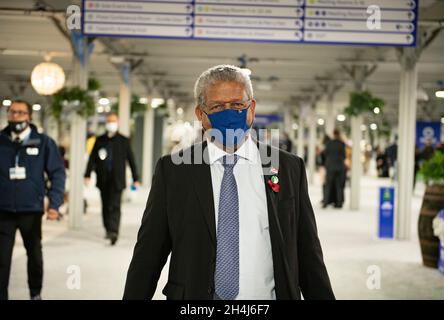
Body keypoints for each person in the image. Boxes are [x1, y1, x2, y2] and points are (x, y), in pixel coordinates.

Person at [123, 65, 334, 300]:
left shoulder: (287, 168)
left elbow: (308, 252)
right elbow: (149, 254)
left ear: (251, 109)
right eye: (217, 107)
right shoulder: (174, 170)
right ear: (201, 115)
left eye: (236, 105)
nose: (229, 113)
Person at [0, 100, 65, 300]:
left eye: (20, 113)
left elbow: (57, 173)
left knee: (34, 255)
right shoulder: (1, 140)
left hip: (31, 209)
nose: (16, 116)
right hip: (3, 210)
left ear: (29, 116)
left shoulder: (43, 142)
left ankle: (35, 293)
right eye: (12, 112)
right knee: (1, 259)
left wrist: (54, 204)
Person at [84, 113, 140, 245]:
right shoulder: (100, 140)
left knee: (115, 205)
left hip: (117, 179)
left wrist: (135, 178)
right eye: (109, 121)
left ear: (118, 122)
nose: (111, 123)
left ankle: (114, 231)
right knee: (105, 205)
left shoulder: (123, 140)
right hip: (103, 179)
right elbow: (92, 159)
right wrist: (87, 174)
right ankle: (108, 228)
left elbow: (131, 160)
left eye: (113, 121)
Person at [323, 129, 346, 209]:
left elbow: (325, 153)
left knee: (328, 185)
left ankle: (325, 202)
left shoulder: (329, 143)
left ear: (333, 134)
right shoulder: (342, 143)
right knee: (339, 186)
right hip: (340, 167)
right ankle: (339, 203)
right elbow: (344, 155)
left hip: (330, 167)